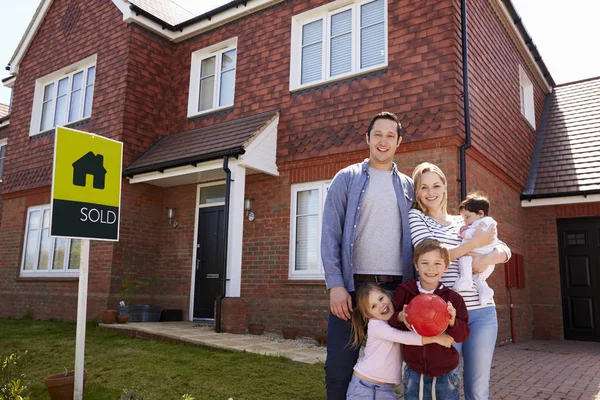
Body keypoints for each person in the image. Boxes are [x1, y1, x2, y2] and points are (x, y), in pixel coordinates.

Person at [321, 112, 415, 399]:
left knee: (389, 369)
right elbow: (330, 234)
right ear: (367, 139)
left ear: (398, 141)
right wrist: (335, 285)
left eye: (390, 135)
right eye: (377, 135)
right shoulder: (346, 178)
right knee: (339, 365)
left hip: (395, 289)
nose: (383, 141)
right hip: (353, 288)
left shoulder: (408, 186)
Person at [408, 162, 511, 400]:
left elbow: (503, 248)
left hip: (482, 313)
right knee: (447, 386)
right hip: (444, 314)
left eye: (436, 185)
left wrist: (486, 258)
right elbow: (431, 255)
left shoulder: (461, 219)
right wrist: (475, 244)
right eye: (424, 187)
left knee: (478, 389)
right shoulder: (417, 217)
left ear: (445, 187)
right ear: (417, 192)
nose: (431, 192)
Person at [390, 239, 470, 400]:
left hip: (446, 370)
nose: (431, 268)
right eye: (425, 263)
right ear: (416, 265)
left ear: (446, 267)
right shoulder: (405, 291)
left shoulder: (453, 298)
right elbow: (391, 322)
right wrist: (400, 317)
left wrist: (452, 321)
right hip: (414, 368)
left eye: (437, 263)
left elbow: (463, 334)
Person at [347, 282, 455, 400]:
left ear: (387, 295)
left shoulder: (393, 322)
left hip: (384, 388)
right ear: (368, 315)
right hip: (366, 387)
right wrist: (435, 339)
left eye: (381, 298)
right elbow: (403, 337)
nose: (381, 305)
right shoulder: (375, 325)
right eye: (373, 306)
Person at [454, 193, 500, 305]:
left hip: (477, 256)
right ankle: (486, 292)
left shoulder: (482, 223)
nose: (465, 221)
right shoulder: (486, 222)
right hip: (486, 262)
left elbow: (473, 235)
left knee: (463, 258)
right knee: (479, 280)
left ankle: (466, 280)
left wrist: (462, 231)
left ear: (480, 213)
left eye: (467, 217)